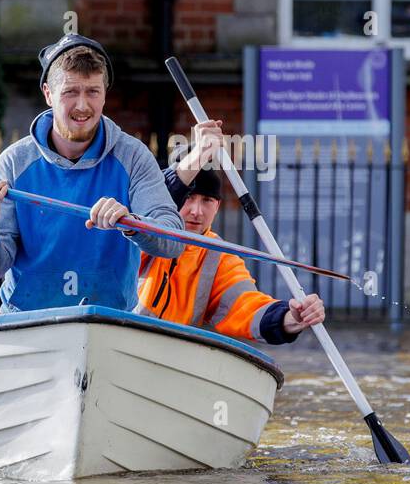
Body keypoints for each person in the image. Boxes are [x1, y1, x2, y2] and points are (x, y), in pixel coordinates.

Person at [0, 34, 184, 311]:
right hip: (26, 320)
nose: (82, 106)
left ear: (105, 94)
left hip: (108, 319)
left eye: (92, 91)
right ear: (48, 94)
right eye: (70, 92)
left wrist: (132, 223)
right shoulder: (13, 162)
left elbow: (173, 240)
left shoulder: (133, 156)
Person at [136, 121, 326, 344]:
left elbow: (245, 305)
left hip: (173, 350)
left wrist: (290, 318)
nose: (196, 211)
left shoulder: (218, 257)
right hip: (119, 331)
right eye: (188, 198)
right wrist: (199, 155)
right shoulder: (136, 229)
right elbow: (155, 208)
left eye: (207, 200)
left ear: (217, 207)